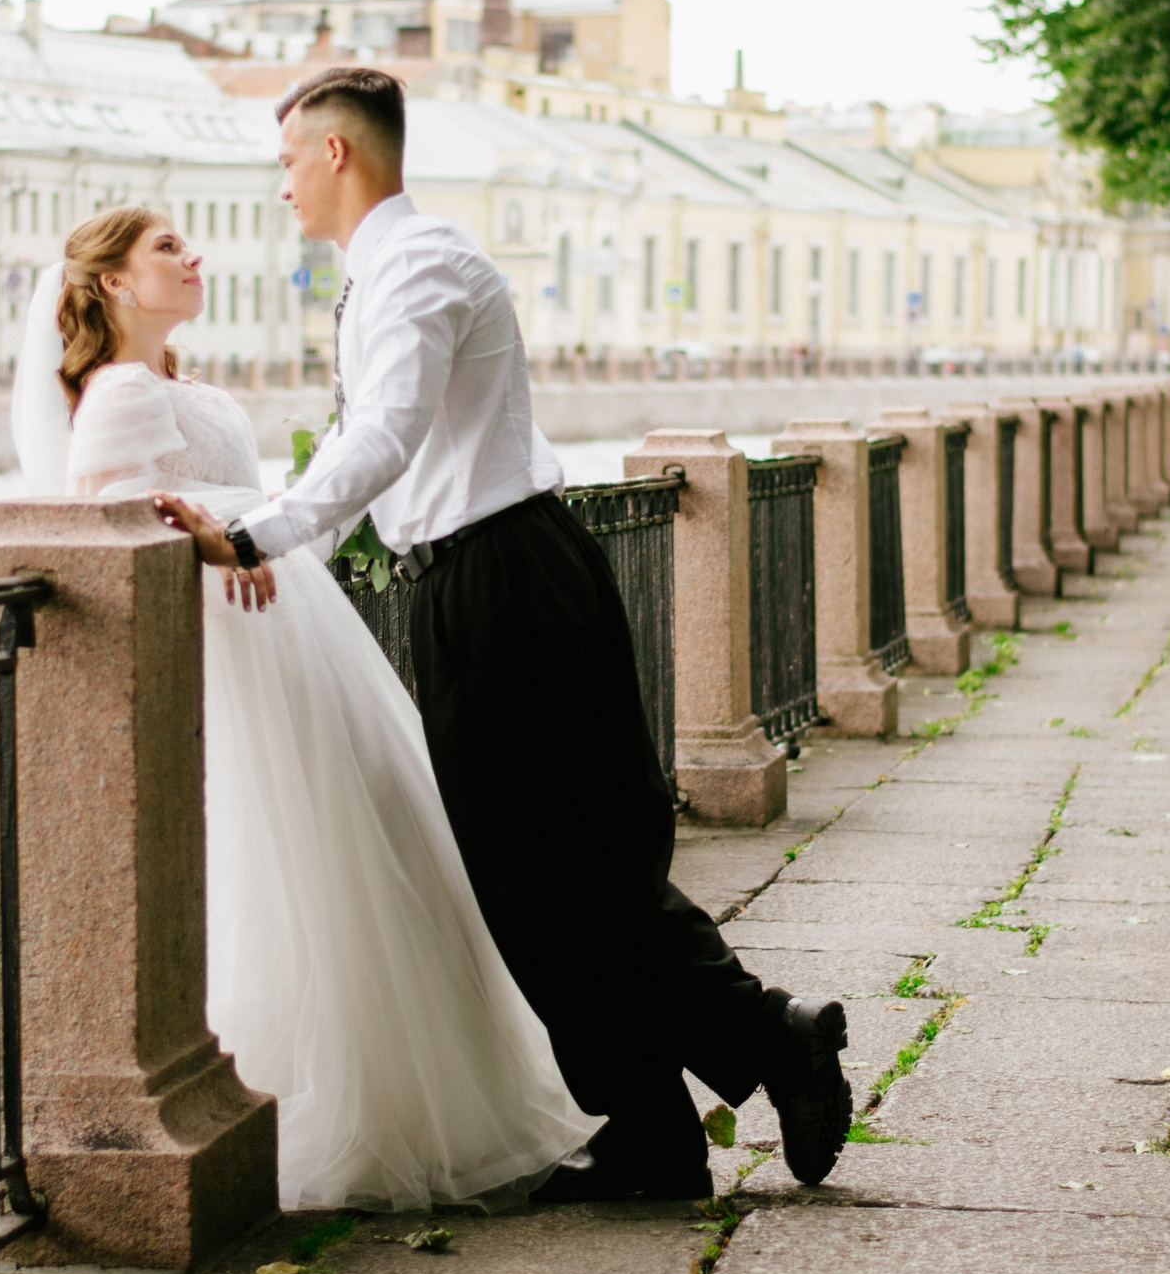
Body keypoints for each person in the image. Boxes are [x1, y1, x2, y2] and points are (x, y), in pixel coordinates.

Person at [165, 67, 852, 1201]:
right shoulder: (384, 272)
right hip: (474, 578)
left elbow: (382, 435)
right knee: (554, 873)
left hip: (504, 578)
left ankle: (764, 1048)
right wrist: (280, 546)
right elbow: (378, 443)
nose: (281, 184)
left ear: (336, 153)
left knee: (555, 872)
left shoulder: (421, 264)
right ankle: (667, 1121)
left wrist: (258, 536)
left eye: (287, 160)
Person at [9, 204, 596, 1212]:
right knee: (288, 865)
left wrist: (243, 528)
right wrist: (221, 536)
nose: (194, 257)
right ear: (111, 282)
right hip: (238, 644)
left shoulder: (172, 382)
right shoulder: (113, 395)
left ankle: (426, 1092)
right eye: (167, 249)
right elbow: (115, 543)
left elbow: (207, 503)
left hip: (281, 620)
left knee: (359, 848)